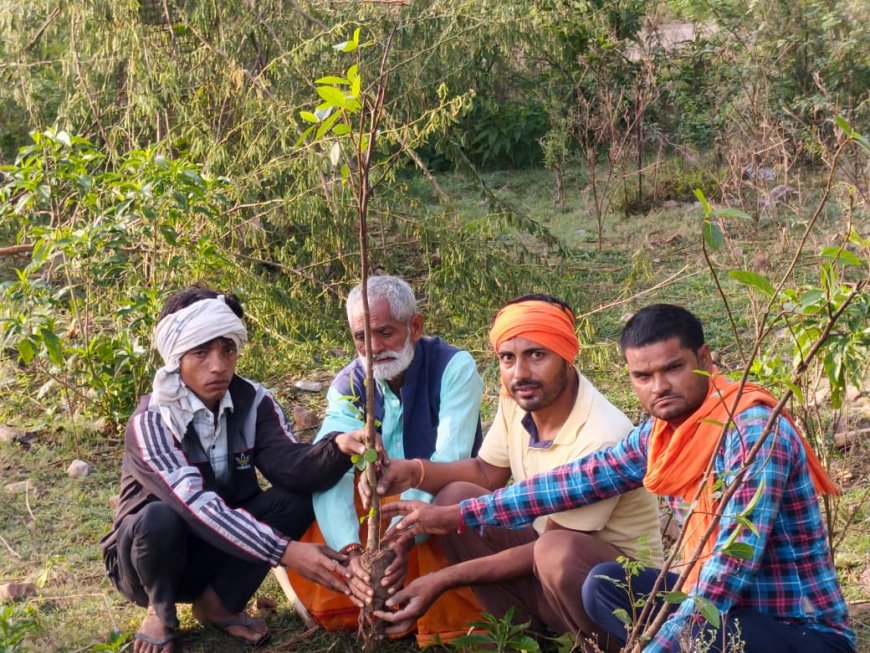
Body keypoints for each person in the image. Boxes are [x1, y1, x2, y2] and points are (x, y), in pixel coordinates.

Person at [384, 304, 856, 653]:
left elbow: (727, 571)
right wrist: (459, 515)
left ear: (705, 359)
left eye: (673, 369)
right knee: (603, 586)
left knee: (687, 619)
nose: (659, 387)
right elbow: (570, 483)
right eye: (643, 376)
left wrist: (655, 648)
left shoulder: (753, 434)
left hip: (797, 630)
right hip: (723, 614)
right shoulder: (664, 432)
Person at [358, 294, 663, 650]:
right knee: (455, 496)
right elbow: (486, 472)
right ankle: (522, 637)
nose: (520, 374)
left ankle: (607, 646)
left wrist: (442, 579)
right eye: (508, 358)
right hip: (545, 562)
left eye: (536, 355)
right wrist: (413, 473)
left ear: (566, 355)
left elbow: (547, 548)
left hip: (620, 593)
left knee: (555, 551)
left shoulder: (601, 434)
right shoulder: (517, 400)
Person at [100, 288, 368, 653]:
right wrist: (285, 551)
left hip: (221, 548)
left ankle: (218, 603)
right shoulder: (152, 420)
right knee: (159, 518)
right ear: (176, 356)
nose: (218, 365)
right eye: (201, 352)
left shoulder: (253, 401)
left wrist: (338, 448)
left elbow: (293, 468)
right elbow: (194, 505)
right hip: (145, 561)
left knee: (299, 498)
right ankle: (159, 611)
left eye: (228, 349)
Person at [283, 275, 485, 645]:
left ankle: (440, 618)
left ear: (415, 327)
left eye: (385, 332)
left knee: (451, 497)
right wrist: (351, 553)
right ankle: (355, 603)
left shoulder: (453, 368)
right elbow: (330, 469)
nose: (373, 348)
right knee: (315, 493)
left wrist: (402, 538)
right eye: (362, 337)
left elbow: (450, 458)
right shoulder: (349, 385)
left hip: (432, 503)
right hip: (380, 509)